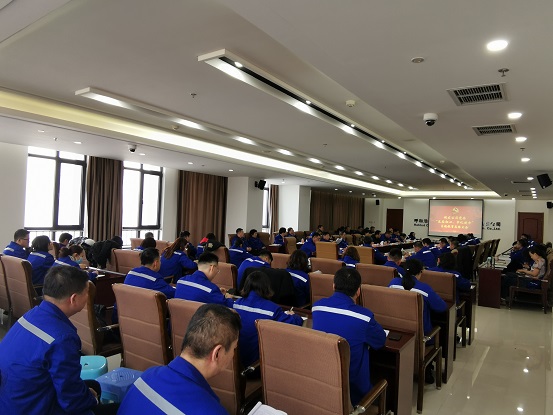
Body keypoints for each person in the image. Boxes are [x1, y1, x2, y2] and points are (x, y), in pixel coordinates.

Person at [0, 266, 112, 414]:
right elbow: (72, 400)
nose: (88, 297)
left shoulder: (31, 315)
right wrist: (91, 400)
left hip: (10, 398)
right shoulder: (62, 338)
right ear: (74, 298)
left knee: (93, 385)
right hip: (31, 407)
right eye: (86, 293)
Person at [118, 304, 241, 415]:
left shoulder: (147, 375)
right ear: (217, 353)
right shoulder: (212, 410)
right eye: (233, 349)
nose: (233, 354)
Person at [312, 267, 386, 406]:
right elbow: (381, 340)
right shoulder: (364, 317)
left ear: (333, 286)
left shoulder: (317, 308)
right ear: (358, 291)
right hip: (355, 394)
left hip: (323, 383)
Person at [388, 259, 446, 382]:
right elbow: (442, 307)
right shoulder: (424, 289)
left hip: (397, 332)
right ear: (420, 272)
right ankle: (427, 369)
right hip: (420, 338)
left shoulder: (393, 283)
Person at [233, 271, 303, 367]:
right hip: (257, 364)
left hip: (236, 361)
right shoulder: (272, 309)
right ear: (266, 287)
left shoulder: (237, 304)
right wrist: (295, 316)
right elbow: (294, 323)